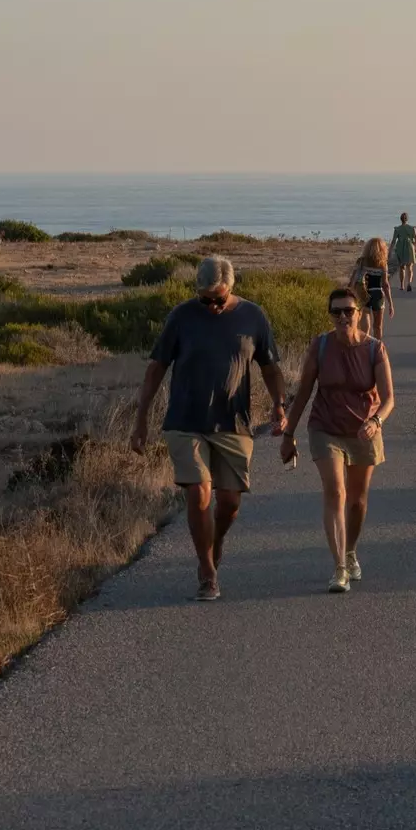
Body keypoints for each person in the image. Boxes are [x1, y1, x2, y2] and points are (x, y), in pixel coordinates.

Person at [130, 256, 285, 601]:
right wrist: (141, 419)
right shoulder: (181, 317)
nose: (213, 306)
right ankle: (207, 571)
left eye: (219, 298)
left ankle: (215, 542)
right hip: (186, 421)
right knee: (199, 491)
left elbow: (270, 367)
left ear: (232, 288)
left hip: (234, 422)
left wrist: (279, 404)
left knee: (228, 502)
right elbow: (156, 368)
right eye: (206, 300)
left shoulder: (253, 316)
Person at [281, 285, 395, 593]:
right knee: (336, 491)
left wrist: (376, 421)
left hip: (363, 430)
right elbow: (304, 391)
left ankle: (350, 551)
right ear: (330, 316)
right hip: (325, 428)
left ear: (359, 313)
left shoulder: (374, 349)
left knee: (357, 502)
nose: (343, 317)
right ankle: (339, 569)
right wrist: (288, 433)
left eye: (348, 311)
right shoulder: (320, 346)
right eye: (336, 312)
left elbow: (388, 399)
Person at [351, 235, 393, 339]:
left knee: (365, 326)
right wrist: (390, 303)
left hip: (363, 293)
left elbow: (353, 279)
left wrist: (350, 294)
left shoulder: (361, 261)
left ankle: (365, 345)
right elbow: (385, 285)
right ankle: (377, 348)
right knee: (378, 326)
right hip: (378, 294)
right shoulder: (383, 264)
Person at [389, 212, 416, 292]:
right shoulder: (412, 228)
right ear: (407, 219)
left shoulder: (397, 229)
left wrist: (389, 251)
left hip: (400, 248)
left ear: (401, 219)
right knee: (410, 267)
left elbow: (393, 241)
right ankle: (409, 282)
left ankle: (402, 285)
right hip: (409, 247)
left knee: (402, 267)